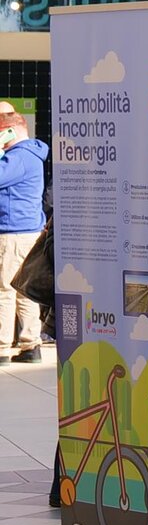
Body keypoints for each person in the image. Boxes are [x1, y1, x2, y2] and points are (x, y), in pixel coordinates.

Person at [0, 111, 47, 364]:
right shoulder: (31, 155)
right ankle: (31, 345)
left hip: (12, 233)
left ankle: (2, 347)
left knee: (4, 291)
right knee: (23, 291)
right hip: (26, 231)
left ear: (9, 131)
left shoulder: (18, 157)